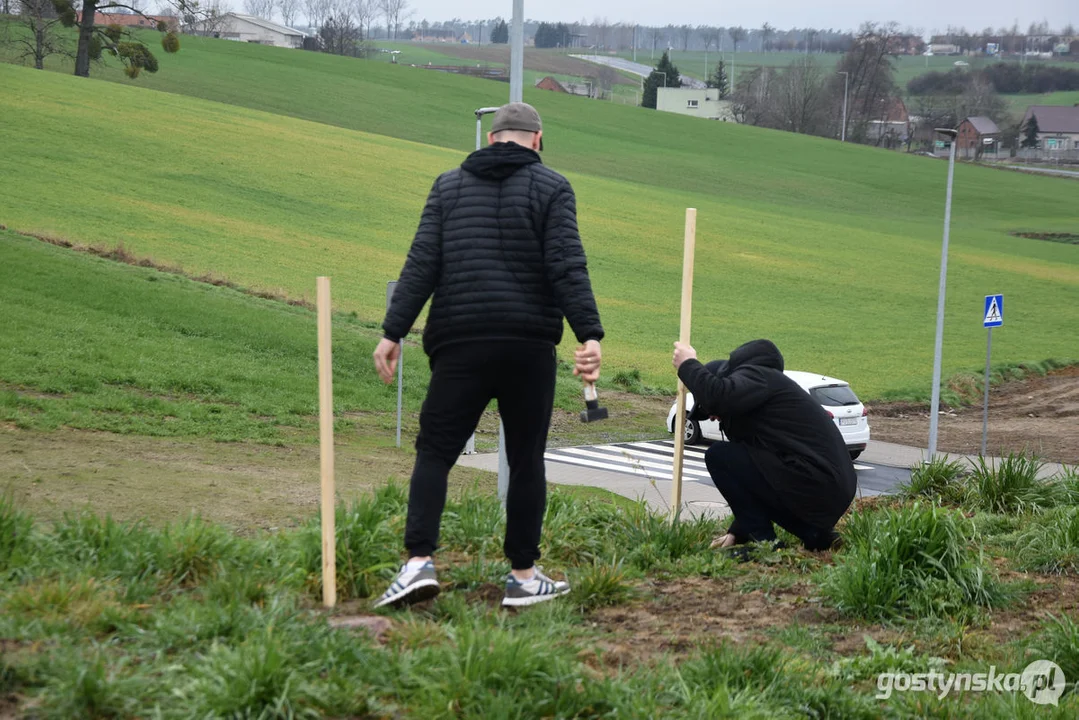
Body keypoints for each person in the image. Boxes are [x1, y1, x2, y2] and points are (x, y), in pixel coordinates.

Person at [372, 102, 605, 609]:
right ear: (537, 140)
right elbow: (567, 265)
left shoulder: (447, 186)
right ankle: (523, 576)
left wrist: (394, 331)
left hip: (460, 342)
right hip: (527, 347)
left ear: (491, 139)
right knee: (525, 460)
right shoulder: (553, 188)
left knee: (435, 452)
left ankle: (417, 565)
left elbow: (421, 264)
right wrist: (589, 334)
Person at [671, 339, 855, 554]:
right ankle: (816, 536)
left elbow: (719, 398)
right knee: (744, 467)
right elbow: (755, 481)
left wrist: (688, 364)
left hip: (817, 480)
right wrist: (737, 531)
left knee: (719, 456)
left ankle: (766, 545)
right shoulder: (761, 398)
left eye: (708, 411)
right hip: (825, 486)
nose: (712, 417)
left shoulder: (758, 376)